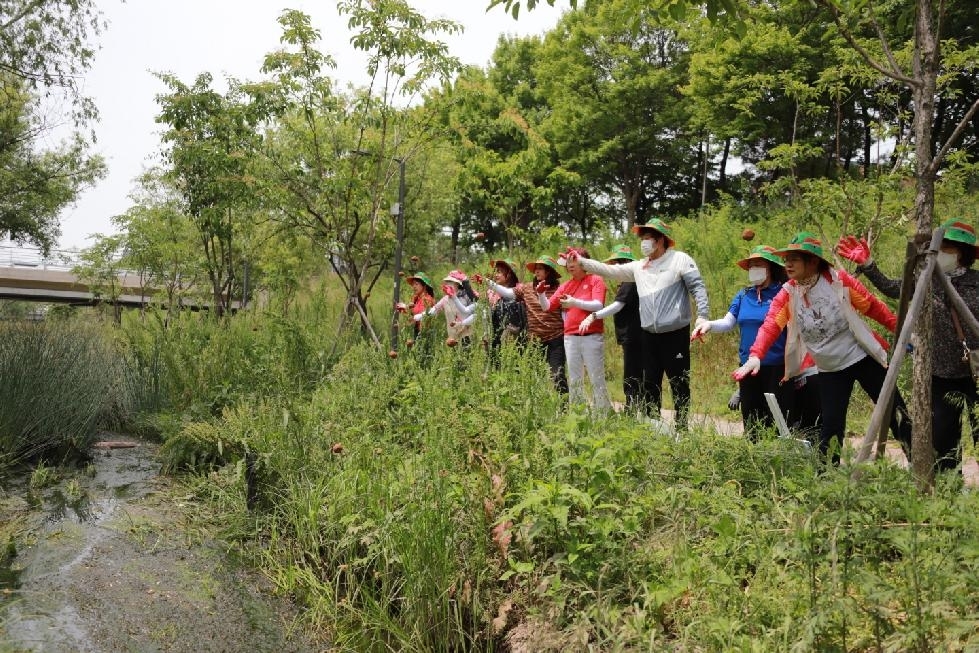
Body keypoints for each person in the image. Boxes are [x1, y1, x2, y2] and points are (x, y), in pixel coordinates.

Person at [734, 232, 912, 463]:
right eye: (787, 259)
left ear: (813, 261)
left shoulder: (838, 282)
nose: (787, 264)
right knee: (830, 426)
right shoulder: (787, 293)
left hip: (861, 357)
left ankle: (922, 466)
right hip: (829, 369)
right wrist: (756, 355)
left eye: (795, 259)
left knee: (894, 412)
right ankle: (827, 477)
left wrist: (905, 335)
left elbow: (874, 307)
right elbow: (770, 326)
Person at [837, 219, 979, 471]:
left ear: (961, 253)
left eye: (948, 247)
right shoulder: (926, 279)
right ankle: (949, 489)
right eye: (941, 246)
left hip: (976, 371)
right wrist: (868, 266)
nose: (942, 253)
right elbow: (894, 289)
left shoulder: (976, 282)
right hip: (941, 373)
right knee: (944, 437)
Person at [573, 219, 709, 431]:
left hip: (675, 334)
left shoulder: (679, 259)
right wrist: (581, 261)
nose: (644, 243)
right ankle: (654, 428)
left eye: (648, 238)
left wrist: (703, 316)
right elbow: (608, 271)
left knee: (679, 382)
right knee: (650, 384)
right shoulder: (639, 267)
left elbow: (698, 287)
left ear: (661, 240)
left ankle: (682, 428)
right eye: (642, 239)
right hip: (649, 335)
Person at [691, 245, 819, 440]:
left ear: (770, 268)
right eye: (750, 265)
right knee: (751, 417)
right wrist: (709, 324)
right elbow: (728, 322)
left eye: (758, 264)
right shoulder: (743, 295)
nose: (753, 269)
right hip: (747, 366)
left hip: (778, 368)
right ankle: (754, 456)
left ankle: (781, 458)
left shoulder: (783, 293)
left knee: (779, 419)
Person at [539, 248, 610, 411]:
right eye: (568, 262)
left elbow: (598, 305)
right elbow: (548, 306)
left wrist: (575, 302)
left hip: (591, 335)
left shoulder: (595, 279)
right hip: (570, 337)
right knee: (575, 378)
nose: (570, 265)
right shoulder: (566, 285)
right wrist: (541, 295)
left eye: (574, 261)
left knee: (595, 376)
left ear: (584, 262)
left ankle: (604, 413)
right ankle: (579, 414)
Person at [484, 255, 568, 393]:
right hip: (534, 340)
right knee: (530, 376)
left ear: (549, 272)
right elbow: (507, 293)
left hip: (555, 339)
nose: (537, 271)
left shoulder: (560, 289)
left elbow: (566, 315)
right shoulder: (527, 288)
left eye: (540, 268)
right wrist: (487, 281)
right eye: (536, 269)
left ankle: (564, 408)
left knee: (557, 375)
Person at [577, 245, 644, 412]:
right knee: (635, 370)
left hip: (634, 334)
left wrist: (595, 316)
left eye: (614, 264)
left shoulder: (630, 281)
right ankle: (637, 406)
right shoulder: (629, 281)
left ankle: (633, 407)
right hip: (633, 334)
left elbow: (618, 305)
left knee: (632, 371)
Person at [427, 270, 478, 347]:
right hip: (452, 337)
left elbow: (475, 314)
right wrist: (425, 314)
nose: (448, 284)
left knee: (466, 354)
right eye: (447, 282)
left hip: (466, 334)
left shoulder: (466, 297)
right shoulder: (445, 299)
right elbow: (435, 309)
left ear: (457, 284)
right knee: (455, 356)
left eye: (450, 282)